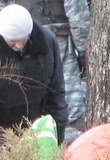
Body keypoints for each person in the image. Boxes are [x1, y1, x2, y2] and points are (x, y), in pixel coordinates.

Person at [13, 0, 87, 138]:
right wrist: (85, 54)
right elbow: (78, 17)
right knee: (69, 111)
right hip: (59, 43)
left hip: (15, 44)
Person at [0, 3, 67, 142]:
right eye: (13, 42)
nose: (18, 46)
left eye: (23, 40)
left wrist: (58, 135)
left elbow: (56, 92)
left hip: (38, 129)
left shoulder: (47, 42)